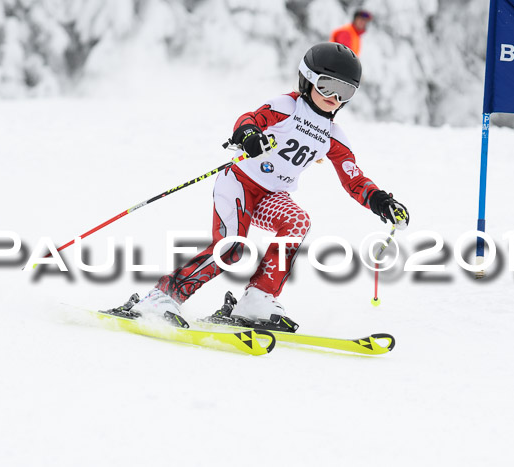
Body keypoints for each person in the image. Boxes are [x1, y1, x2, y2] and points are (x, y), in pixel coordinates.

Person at [113, 42, 409, 331]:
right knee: (230, 250)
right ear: (307, 80)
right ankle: (162, 296)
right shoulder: (287, 106)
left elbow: (353, 178)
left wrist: (382, 202)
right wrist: (249, 136)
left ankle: (257, 298)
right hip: (239, 183)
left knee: (298, 221)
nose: (334, 97)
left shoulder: (333, 135)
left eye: (344, 91)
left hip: (272, 196)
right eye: (326, 86)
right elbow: (250, 119)